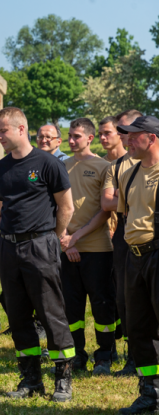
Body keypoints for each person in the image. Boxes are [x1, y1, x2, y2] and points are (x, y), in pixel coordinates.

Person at [0, 107, 76, 403]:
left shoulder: (48, 163)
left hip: (41, 245)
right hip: (9, 247)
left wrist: (53, 237)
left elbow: (66, 207)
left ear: (21, 129)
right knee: (17, 313)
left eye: (3, 130)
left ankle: (62, 379)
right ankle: (31, 379)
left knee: (50, 311)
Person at [60, 118, 116, 374]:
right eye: (70, 136)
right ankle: (76, 355)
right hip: (67, 248)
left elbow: (105, 212)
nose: (71, 141)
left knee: (102, 304)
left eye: (77, 137)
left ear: (90, 138)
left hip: (97, 249)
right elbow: (55, 206)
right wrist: (66, 239)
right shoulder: (61, 166)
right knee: (71, 307)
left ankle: (105, 355)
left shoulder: (105, 167)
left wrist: (77, 236)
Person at [114, 115, 159, 415]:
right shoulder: (127, 174)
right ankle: (149, 392)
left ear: (152, 138)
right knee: (139, 327)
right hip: (134, 256)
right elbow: (123, 216)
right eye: (126, 136)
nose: (127, 141)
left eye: (133, 135)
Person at [101, 109, 143, 377]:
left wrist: (124, 196)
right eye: (121, 131)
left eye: (126, 131)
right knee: (126, 296)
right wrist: (136, 200)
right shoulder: (116, 166)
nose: (123, 136)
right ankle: (132, 354)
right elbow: (106, 202)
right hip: (125, 234)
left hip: (150, 232)